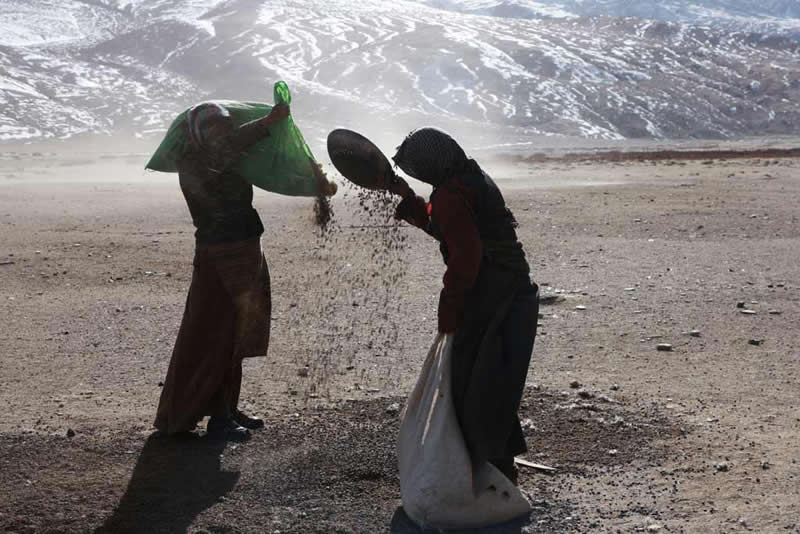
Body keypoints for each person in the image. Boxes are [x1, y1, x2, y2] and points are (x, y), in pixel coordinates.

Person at [386, 127, 539, 483]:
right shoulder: (469, 178)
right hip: (511, 289)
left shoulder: (451, 195)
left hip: (493, 294)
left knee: (475, 380)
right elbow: (454, 231)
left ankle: (489, 468)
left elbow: (466, 256)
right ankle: (495, 463)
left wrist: (450, 307)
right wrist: (411, 200)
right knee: (491, 377)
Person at [154, 101, 290, 441]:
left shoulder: (222, 156)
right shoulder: (197, 161)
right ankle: (214, 416)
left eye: (225, 126)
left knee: (237, 330)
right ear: (199, 134)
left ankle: (226, 406)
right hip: (221, 253)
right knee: (219, 331)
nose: (223, 133)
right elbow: (227, 149)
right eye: (215, 127)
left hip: (243, 246)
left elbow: (234, 149)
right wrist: (268, 121)